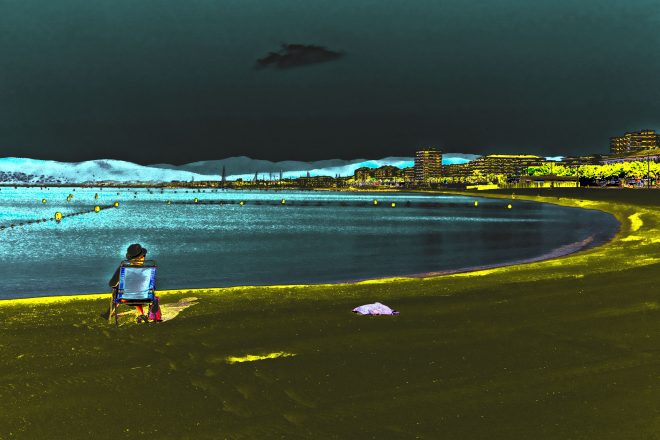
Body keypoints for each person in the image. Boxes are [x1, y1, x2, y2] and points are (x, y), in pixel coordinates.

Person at [109, 243, 149, 323]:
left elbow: (112, 283)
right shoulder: (148, 270)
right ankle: (141, 314)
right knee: (138, 290)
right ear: (142, 257)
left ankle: (109, 313)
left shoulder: (123, 268)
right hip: (145, 297)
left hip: (125, 298)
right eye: (143, 255)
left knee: (117, 289)